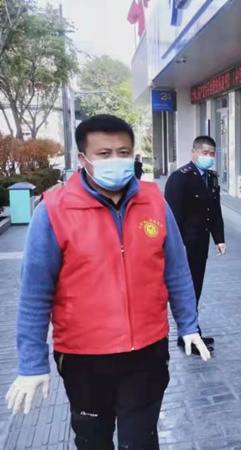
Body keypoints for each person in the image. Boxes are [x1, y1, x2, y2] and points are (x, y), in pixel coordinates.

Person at [4, 114, 210, 449]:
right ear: (83, 159)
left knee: (141, 440)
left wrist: (189, 325)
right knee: (93, 440)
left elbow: (176, 270)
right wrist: (31, 363)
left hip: (147, 351)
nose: (116, 160)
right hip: (84, 358)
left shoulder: (154, 201)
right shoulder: (54, 210)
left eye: (123, 152)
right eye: (104, 154)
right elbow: (34, 294)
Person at [164, 136, 225, 354]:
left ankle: (191, 330)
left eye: (212, 154)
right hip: (184, 245)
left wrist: (219, 238)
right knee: (186, 289)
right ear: (193, 153)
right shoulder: (180, 178)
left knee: (196, 287)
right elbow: (172, 216)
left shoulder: (210, 177)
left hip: (200, 244)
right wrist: (176, 245)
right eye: (204, 153)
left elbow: (214, 210)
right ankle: (188, 333)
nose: (208, 157)